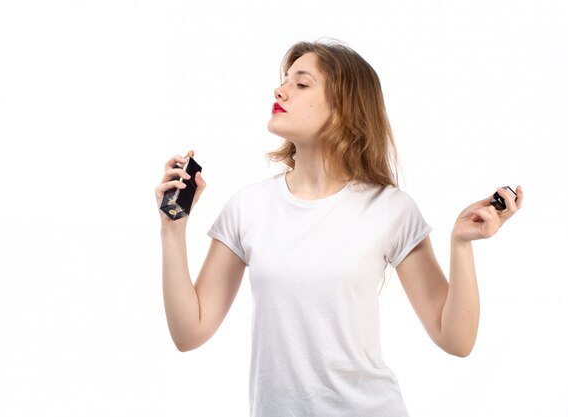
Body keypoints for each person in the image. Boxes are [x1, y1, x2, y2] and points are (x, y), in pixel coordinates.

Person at [155, 40, 523, 417]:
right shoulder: (249, 207)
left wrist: (461, 245)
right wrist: (173, 229)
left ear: (344, 107)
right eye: (285, 81)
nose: (280, 90)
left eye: (301, 84)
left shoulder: (390, 209)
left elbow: (456, 339)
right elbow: (189, 333)